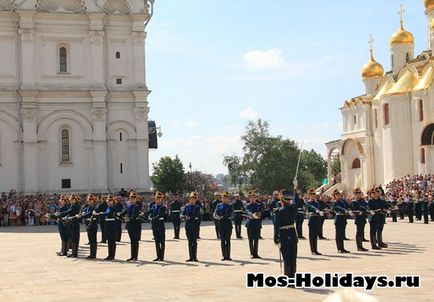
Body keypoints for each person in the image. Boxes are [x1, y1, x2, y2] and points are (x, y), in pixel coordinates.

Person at [274, 189, 298, 279]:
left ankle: (287, 280)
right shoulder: (293, 208)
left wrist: (276, 238)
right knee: (293, 259)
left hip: (283, 236)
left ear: (281, 199)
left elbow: (276, 227)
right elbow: (295, 202)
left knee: (287, 259)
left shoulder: (279, 212)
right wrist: (294, 190)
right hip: (292, 235)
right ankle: (293, 279)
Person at [118, 191, 141, 261]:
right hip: (129, 226)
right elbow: (124, 212)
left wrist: (127, 219)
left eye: (134, 198)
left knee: (135, 241)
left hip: (135, 225)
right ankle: (132, 256)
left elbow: (134, 216)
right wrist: (118, 214)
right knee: (132, 241)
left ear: (136, 199)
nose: (132, 199)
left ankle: (135, 256)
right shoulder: (129, 206)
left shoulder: (136, 206)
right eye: (131, 198)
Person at [213, 191, 234, 261]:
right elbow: (216, 212)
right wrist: (216, 216)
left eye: (225, 197)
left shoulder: (230, 205)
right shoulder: (218, 205)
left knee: (228, 240)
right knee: (222, 241)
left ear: (227, 198)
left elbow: (230, 214)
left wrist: (222, 216)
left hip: (228, 225)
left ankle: (228, 255)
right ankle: (223, 255)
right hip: (221, 225)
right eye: (222, 197)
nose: (224, 199)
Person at [181, 192, 201, 262]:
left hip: (195, 225)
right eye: (192, 198)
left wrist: (189, 217)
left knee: (194, 241)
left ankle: (195, 257)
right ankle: (190, 257)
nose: (193, 200)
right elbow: (182, 214)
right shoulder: (186, 206)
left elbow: (197, 215)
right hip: (188, 225)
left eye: (194, 199)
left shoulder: (197, 207)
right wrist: (183, 217)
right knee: (189, 241)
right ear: (189, 199)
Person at [59, 194, 80, 258]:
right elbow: (69, 213)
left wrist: (61, 213)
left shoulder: (75, 206)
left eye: (71, 200)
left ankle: (75, 253)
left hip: (74, 223)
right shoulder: (71, 206)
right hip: (71, 223)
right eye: (70, 200)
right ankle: (73, 253)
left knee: (75, 239)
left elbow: (69, 212)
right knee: (73, 239)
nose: (70, 201)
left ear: (74, 200)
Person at [98, 195, 117, 261]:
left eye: (110, 201)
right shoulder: (107, 207)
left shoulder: (113, 208)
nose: (109, 202)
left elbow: (108, 213)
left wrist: (101, 213)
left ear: (112, 201)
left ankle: (112, 255)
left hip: (112, 225)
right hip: (107, 224)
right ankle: (109, 254)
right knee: (109, 241)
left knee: (112, 241)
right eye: (108, 201)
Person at [245, 190, 264, 258]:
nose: (252, 199)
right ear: (249, 198)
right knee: (250, 240)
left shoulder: (259, 205)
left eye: (253, 197)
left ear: (255, 198)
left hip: (257, 223)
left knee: (256, 239)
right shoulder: (247, 205)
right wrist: (252, 215)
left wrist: (258, 215)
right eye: (251, 197)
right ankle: (251, 253)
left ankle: (256, 253)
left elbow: (261, 212)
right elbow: (247, 211)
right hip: (250, 224)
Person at [149, 191, 166, 261]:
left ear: (161, 199)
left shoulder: (163, 207)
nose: (157, 200)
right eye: (156, 198)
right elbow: (150, 211)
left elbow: (160, 215)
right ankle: (158, 256)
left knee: (162, 242)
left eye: (159, 198)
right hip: (154, 226)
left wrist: (153, 218)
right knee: (156, 241)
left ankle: (161, 256)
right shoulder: (153, 206)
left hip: (160, 225)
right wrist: (144, 213)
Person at [305, 189, 322, 255]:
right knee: (312, 236)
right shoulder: (308, 203)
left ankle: (316, 250)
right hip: (312, 220)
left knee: (315, 236)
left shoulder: (317, 202)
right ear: (309, 196)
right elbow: (311, 207)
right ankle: (312, 250)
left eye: (314, 195)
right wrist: (316, 210)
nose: (313, 196)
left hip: (317, 220)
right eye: (311, 195)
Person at [81, 194, 98, 259]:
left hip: (93, 224)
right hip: (88, 223)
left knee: (93, 240)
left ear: (93, 201)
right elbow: (83, 211)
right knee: (90, 240)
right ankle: (91, 254)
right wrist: (83, 214)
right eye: (88, 200)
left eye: (91, 200)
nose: (89, 202)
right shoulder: (87, 207)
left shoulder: (94, 207)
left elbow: (88, 214)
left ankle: (93, 254)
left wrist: (82, 215)